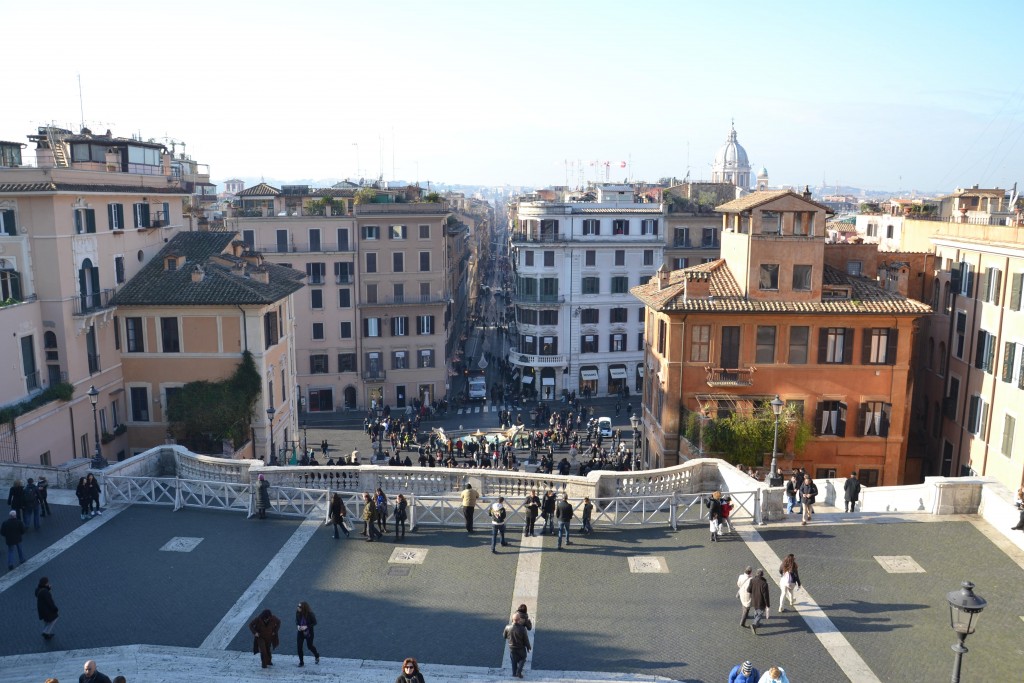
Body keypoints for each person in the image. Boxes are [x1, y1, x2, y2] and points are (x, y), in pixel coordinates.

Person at [504, 611, 532, 678]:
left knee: (513, 660)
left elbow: (504, 636)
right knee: (523, 657)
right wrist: (528, 646)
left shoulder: (507, 627)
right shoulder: (522, 629)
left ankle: (514, 673)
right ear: (519, 620)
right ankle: (519, 671)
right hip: (520, 648)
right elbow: (526, 640)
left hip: (512, 648)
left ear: (512, 619)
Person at [295, 601, 320, 667]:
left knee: (310, 646)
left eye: (299, 607)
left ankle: (316, 655)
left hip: (309, 632)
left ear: (303, 608)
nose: (298, 607)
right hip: (300, 632)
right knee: (299, 647)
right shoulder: (297, 613)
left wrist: (306, 626)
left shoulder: (310, 614)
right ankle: (301, 662)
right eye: (298, 606)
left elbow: (315, 622)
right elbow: (297, 621)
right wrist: (298, 626)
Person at [747, 568, 770, 635]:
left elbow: (748, 590)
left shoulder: (752, 580)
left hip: (754, 600)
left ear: (756, 573)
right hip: (761, 602)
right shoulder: (764, 583)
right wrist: (768, 605)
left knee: (756, 610)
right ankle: (754, 625)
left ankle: (757, 623)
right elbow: (766, 596)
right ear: (762, 575)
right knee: (760, 613)